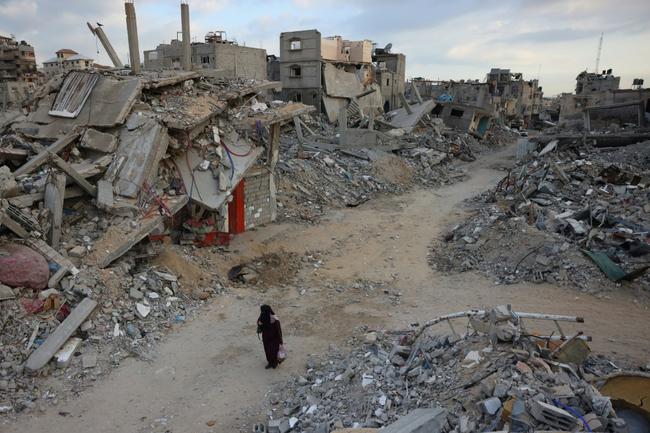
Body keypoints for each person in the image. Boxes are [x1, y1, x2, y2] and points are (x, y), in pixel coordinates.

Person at [257, 304, 283, 369]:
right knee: (268, 351)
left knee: (274, 351)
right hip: (266, 337)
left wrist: (280, 340)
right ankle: (270, 363)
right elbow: (259, 323)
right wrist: (259, 324)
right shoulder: (262, 316)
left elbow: (278, 330)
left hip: (274, 338)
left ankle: (275, 363)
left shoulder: (274, 318)